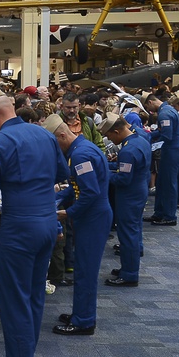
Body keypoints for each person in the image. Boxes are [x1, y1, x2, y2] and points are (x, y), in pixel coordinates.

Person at [0, 85, 68, 357]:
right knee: (34, 296)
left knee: (14, 301)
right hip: (46, 223)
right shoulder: (44, 135)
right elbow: (61, 173)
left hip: (19, 228)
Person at [43, 114, 113, 334]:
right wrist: (57, 198)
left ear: (62, 135)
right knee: (83, 269)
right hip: (92, 215)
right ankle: (80, 312)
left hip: (93, 217)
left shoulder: (81, 156)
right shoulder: (81, 150)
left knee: (85, 271)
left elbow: (89, 192)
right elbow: (77, 187)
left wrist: (67, 212)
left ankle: (84, 321)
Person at [99, 114, 151, 287]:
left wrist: (103, 175)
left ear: (116, 131)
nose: (109, 139)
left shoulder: (128, 150)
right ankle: (128, 267)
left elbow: (123, 179)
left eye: (109, 136)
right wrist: (108, 166)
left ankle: (129, 274)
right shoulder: (139, 139)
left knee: (128, 235)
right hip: (138, 191)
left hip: (129, 196)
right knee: (133, 232)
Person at [143, 91, 179, 225]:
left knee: (169, 183)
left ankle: (169, 216)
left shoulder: (164, 113)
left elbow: (166, 135)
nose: (149, 111)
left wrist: (150, 140)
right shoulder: (167, 110)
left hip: (171, 150)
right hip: (171, 149)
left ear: (150, 102)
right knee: (162, 183)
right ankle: (159, 213)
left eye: (148, 108)